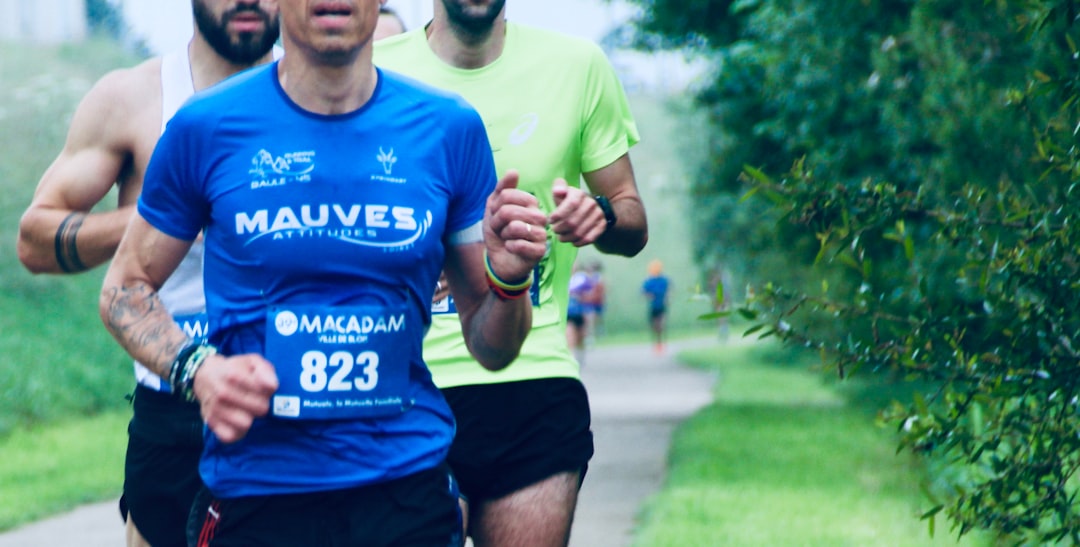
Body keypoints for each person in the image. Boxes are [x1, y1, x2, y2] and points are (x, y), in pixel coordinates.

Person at [98, 0, 548, 544]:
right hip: (259, 493)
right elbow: (125, 288)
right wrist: (197, 369)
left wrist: (510, 280)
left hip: (406, 492)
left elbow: (493, 348)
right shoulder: (206, 126)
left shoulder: (447, 128)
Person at [375, 2, 649, 544]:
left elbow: (633, 218)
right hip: (404, 387)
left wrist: (599, 215)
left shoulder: (576, 65)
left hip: (533, 379)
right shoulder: (371, 71)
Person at [16, 2, 280, 545]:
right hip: (177, 409)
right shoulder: (135, 99)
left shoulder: (326, 98)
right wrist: (160, 216)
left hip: (299, 400)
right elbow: (34, 239)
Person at [566, 261, 593, 366]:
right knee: (570, 334)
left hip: (580, 311)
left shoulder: (582, 278)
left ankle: (580, 356)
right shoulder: (561, 277)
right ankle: (571, 357)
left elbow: (589, 293)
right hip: (568, 312)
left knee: (581, 336)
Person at [642, 259, 671, 354]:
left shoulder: (664, 280)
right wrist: (649, 295)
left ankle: (662, 343)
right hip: (653, 307)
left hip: (662, 306)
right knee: (655, 327)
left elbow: (669, 290)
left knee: (662, 325)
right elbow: (643, 291)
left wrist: (667, 298)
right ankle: (657, 343)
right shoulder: (648, 281)